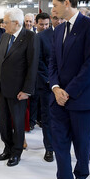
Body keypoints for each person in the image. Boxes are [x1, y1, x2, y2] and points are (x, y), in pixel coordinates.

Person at [41, 0, 90, 179]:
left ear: (67, 3)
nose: (53, 9)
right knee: (59, 141)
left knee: (82, 142)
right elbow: (53, 63)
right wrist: (56, 88)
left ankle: (81, 175)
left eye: (55, 4)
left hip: (82, 98)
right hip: (58, 99)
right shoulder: (58, 30)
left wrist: (68, 92)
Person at [0, 8, 39, 167]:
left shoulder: (30, 37)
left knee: (17, 123)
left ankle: (16, 152)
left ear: (16, 23)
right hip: (2, 88)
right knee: (3, 122)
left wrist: (27, 90)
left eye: (5, 22)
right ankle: (7, 148)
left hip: (19, 91)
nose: (2, 24)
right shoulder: (4, 36)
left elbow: (32, 66)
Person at [36, 12, 65, 162]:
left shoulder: (72, 34)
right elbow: (39, 62)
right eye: (55, 18)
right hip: (47, 85)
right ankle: (49, 148)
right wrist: (51, 82)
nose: (58, 21)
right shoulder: (42, 37)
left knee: (64, 119)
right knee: (47, 117)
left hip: (67, 87)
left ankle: (62, 147)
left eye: (61, 18)